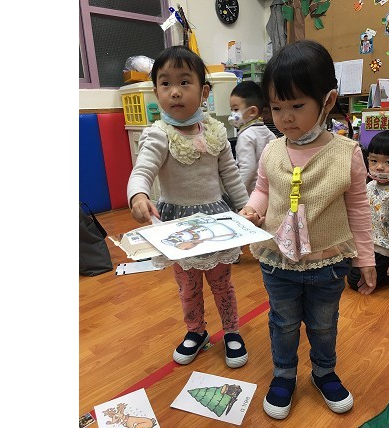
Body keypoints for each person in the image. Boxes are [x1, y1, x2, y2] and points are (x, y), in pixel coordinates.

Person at [239, 40, 377, 420]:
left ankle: (323, 372)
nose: (285, 118)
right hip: (278, 261)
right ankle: (284, 375)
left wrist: (366, 258)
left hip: (328, 263)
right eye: (277, 107)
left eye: (297, 106)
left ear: (327, 101)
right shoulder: (271, 150)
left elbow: (359, 209)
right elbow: (263, 189)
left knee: (323, 324)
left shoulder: (347, 153)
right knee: (282, 322)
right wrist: (252, 209)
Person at [127, 45, 249, 369]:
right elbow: (142, 171)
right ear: (156, 92)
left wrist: (247, 210)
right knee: (188, 286)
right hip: (177, 227)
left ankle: (232, 330)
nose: (175, 92)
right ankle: (196, 330)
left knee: (222, 283)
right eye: (165, 84)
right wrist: (138, 195)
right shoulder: (158, 134)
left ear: (204, 91)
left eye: (184, 82)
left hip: (216, 221)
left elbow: (231, 175)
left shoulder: (216, 132)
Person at [347, 130, 389, 290]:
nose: (379, 167)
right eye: (374, 160)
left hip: (385, 251)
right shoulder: (369, 186)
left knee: (355, 281)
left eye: (388, 162)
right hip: (366, 245)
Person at [229, 80, 277, 195]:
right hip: (271, 191)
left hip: (252, 194)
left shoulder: (246, 136)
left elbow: (247, 168)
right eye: (231, 110)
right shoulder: (269, 133)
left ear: (252, 111)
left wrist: (237, 193)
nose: (232, 114)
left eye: (236, 109)